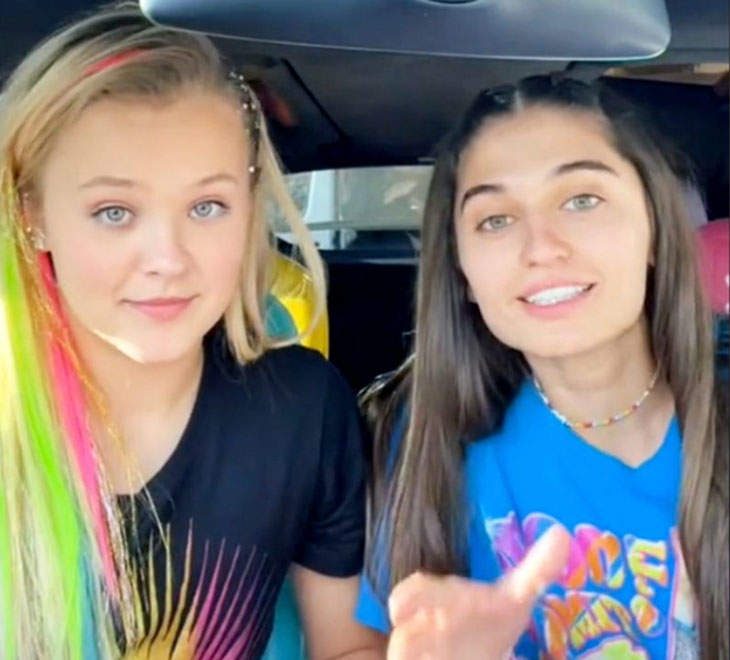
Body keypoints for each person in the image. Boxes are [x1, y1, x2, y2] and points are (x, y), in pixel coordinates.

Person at [0, 3, 384, 658]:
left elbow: (346, 647)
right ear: (32, 213)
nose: (168, 259)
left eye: (207, 206)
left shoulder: (301, 411)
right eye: (114, 211)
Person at [355, 76, 728, 659]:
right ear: (462, 272)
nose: (541, 248)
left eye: (582, 200)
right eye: (495, 220)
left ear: (655, 229)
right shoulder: (427, 444)